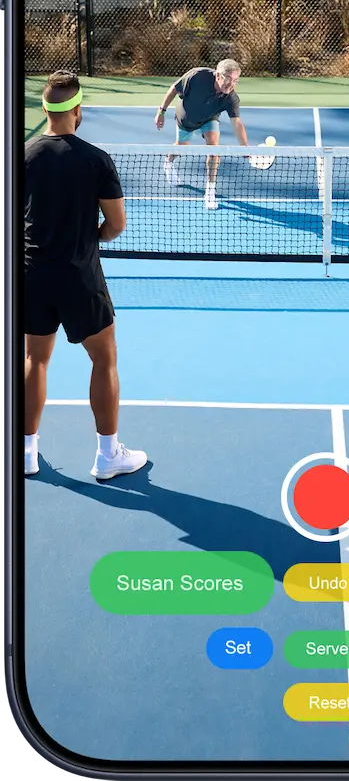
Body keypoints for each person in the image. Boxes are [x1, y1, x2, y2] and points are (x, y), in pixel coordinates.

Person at [24, 71, 147, 481]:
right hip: (80, 278)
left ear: (44, 109)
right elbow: (116, 224)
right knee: (104, 358)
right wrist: (88, 236)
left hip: (32, 277)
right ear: (78, 111)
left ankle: (25, 452)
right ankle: (108, 455)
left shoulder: (22, 156)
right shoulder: (96, 160)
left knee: (34, 360)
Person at [155, 59, 249, 210]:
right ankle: (168, 163)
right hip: (187, 117)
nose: (231, 84)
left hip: (209, 119)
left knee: (214, 149)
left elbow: (237, 123)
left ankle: (210, 190)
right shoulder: (198, 76)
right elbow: (174, 88)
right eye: (228, 79)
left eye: (236, 81)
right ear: (218, 75)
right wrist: (161, 111)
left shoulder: (231, 98)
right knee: (181, 146)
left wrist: (245, 147)